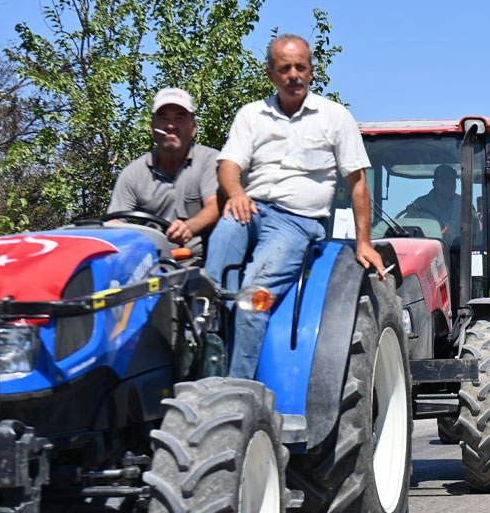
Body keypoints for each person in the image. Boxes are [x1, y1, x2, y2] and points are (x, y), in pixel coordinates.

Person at [206, 34, 385, 380]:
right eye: (284, 68)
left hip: (297, 221)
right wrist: (236, 192)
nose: (293, 75)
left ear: (311, 71)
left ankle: (235, 390)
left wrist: (363, 242)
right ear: (271, 74)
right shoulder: (252, 115)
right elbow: (228, 166)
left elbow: (358, 184)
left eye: (300, 67)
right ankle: (204, 363)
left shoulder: (334, 117)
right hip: (250, 209)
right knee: (209, 289)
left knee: (252, 298)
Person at [108, 87, 220, 261]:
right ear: (153, 128)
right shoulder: (133, 173)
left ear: (193, 128)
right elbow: (115, 224)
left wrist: (189, 227)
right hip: (150, 266)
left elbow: (215, 206)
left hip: (203, 262)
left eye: (180, 118)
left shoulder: (210, 160)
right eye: (163, 118)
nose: (170, 125)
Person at [404, 164, 459, 236]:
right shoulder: (420, 205)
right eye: (444, 181)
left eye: (453, 182)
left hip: (458, 247)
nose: (450, 186)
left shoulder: (464, 205)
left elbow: (476, 234)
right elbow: (408, 230)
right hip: (426, 246)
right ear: (434, 184)